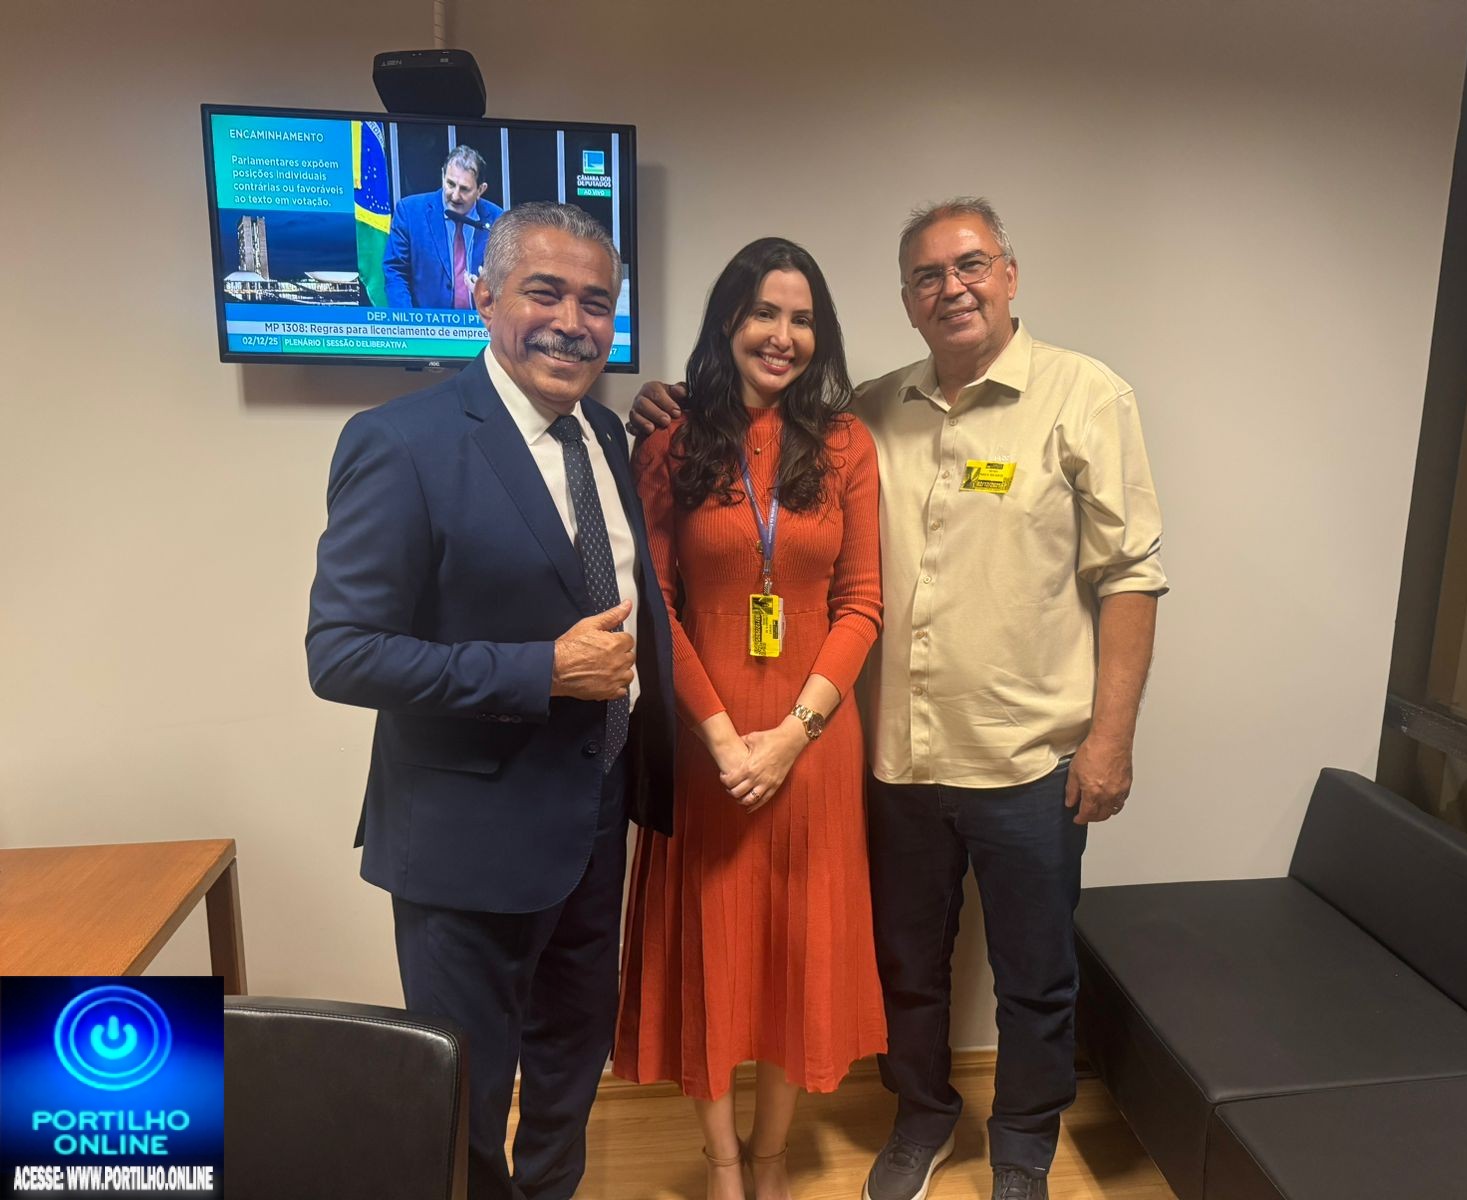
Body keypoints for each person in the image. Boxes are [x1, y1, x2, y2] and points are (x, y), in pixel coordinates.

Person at [629, 198, 1166, 1200]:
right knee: (906, 965)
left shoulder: (1082, 395)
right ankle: (921, 1118)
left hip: (1024, 756)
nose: (951, 288)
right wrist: (664, 399)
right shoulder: (872, 412)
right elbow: (738, 447)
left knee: (1035, 975)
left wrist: (1111, 740)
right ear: (907, 302)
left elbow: (1130, 576)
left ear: (1008, 274)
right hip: (895, 757)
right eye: (928, 276)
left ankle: (1021, 1147)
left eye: (971, 266)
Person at [308, 201, 675, 1200]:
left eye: (595, 302)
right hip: (465, 840)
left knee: (571, 1064)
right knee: (465, 1094)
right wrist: (538, 670)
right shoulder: (402, 441)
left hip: (595, 819)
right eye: (544, 292)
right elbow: (341, 654)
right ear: (482, 295)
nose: (572, 323)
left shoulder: (605, 432)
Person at [612, 237, 886, 1200]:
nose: (782, 335)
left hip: (813, 745)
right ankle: (723, 1163)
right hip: (708, 747)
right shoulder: (670, 440)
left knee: (793, 955)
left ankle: (772, 1158)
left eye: (802, 318)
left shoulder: (847, 445)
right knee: (713, 950)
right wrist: (728, 741)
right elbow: (656, 606)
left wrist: (793, 736)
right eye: (764, 312)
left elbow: (862, 603)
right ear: (729, 320)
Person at [383, 144, 505, 309]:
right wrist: (407, 319)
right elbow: (396, 272)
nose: (455, 195)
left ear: (480, 190)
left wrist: (490, 294)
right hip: (424, 322)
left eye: (464, 189)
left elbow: (510, 279)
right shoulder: (411, 213)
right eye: (450, 184)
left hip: (480, 322)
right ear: (443, 175)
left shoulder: (497, 221)